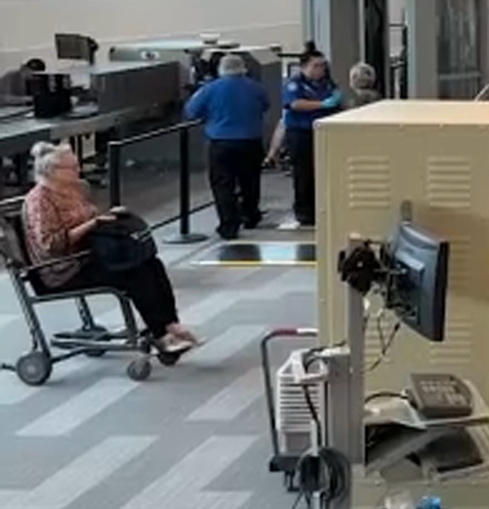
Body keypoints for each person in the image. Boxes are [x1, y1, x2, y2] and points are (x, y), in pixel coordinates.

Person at [23, 143, 198, 353]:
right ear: (52, 172)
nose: (77, 171)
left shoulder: (73, 189)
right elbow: (51, 245)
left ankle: (171, 324)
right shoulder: (40, 200)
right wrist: (93, 224)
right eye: (71, 168)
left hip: (89, 256)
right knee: (134, 272)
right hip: (63, 269)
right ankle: (160, 334)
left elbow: (90, 217)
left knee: (152, 263)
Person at [183, 54, 270, 240]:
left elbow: (191, 111)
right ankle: (250, 215)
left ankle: (229, 225)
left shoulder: (210, 89)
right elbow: (265, 106)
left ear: (221, 69)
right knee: (250, 181)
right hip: (251, 141)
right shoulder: (256, 88)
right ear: (243, 68)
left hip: (221, 143)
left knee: (223, 185)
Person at [280, 50, 341, 228]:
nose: (320, 69)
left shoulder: (326, 83)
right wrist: (322, 104)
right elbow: (295, 104)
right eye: (316, 65)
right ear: (304, 66)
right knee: (303, 173)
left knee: (322, 172)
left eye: (323, 65)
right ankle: (304, 212)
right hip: (301, 133)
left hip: (323, 131)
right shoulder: (295, 84)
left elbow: (336, 98)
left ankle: (320, 208)